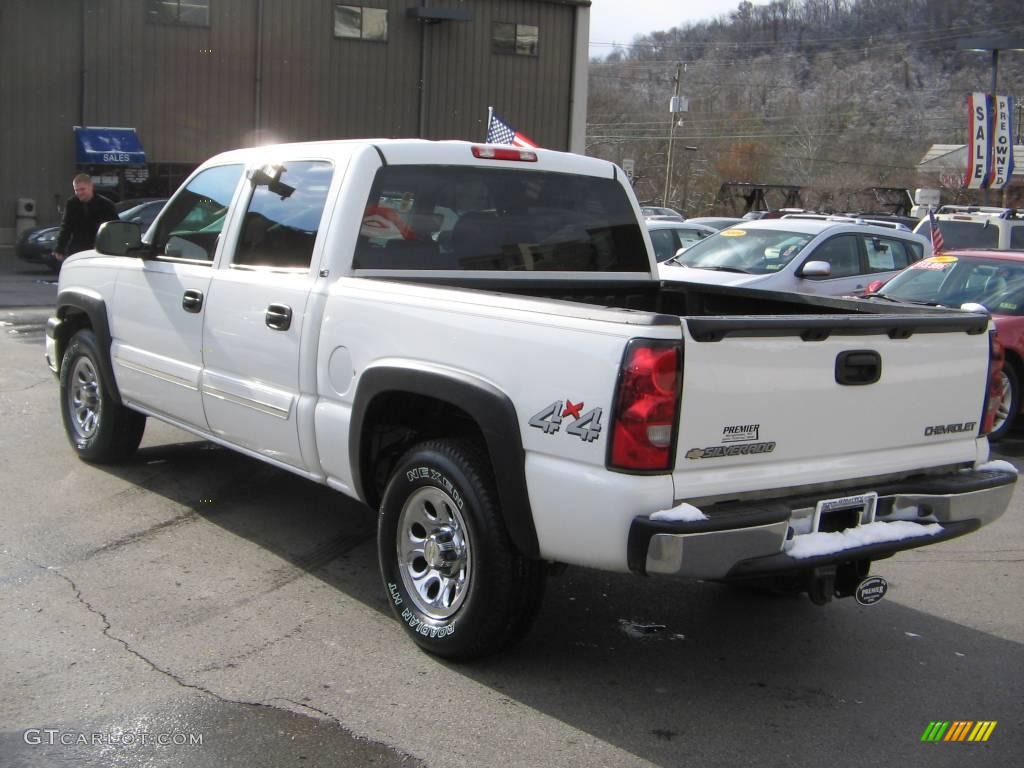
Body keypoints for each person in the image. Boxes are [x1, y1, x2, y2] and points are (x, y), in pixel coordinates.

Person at [53, 173, 118, 264]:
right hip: (77, 251)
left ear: (91, 187)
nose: (79, 193)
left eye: (82, 189)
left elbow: (115, 229)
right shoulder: (72, 204)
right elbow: (66, 227)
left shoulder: (106, 205)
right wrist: (60, 248)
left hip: (99, 252)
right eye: (76, 190)